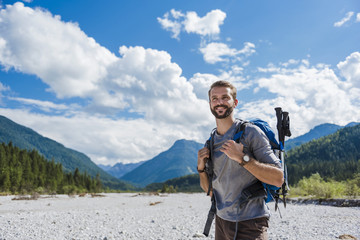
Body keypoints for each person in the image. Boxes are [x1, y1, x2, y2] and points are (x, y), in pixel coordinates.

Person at [197, 80, 284, 240]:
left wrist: (242, 158)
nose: (219, 102)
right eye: (214, 98)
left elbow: (278, 178)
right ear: (210, 104)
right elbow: (210, 192)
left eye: (225, 97)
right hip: (222, 221)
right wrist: (201, 168)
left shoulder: (250, 133)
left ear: (235, 102)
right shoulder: (210, 142)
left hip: (250, 223)